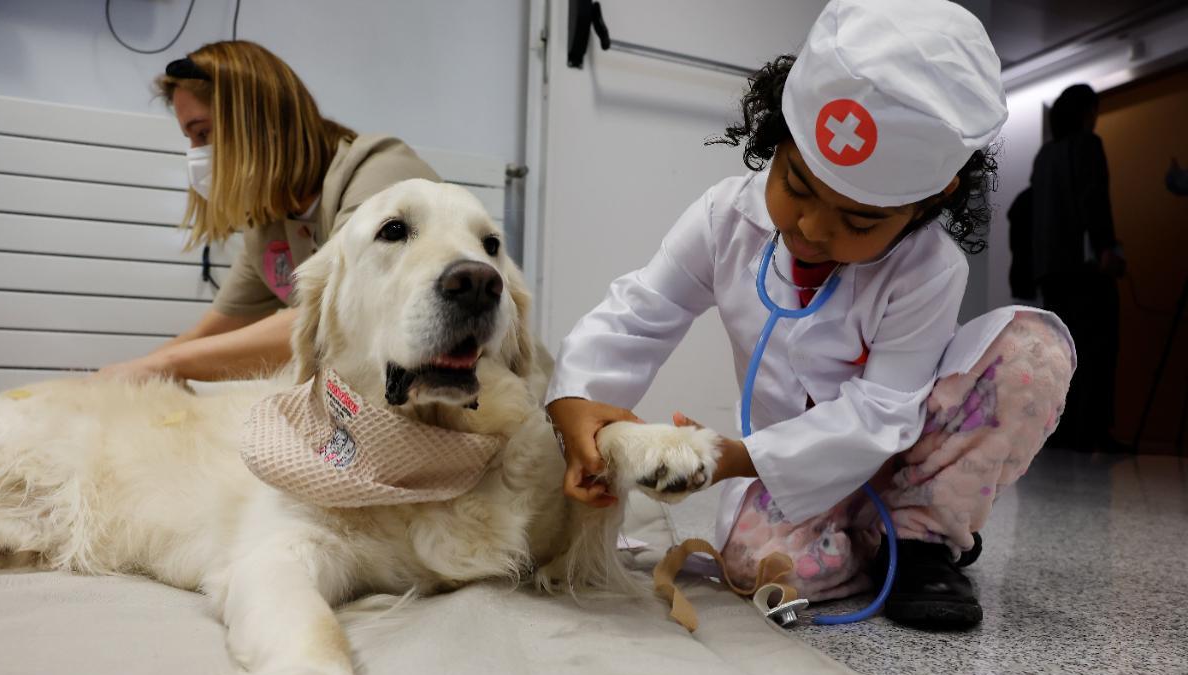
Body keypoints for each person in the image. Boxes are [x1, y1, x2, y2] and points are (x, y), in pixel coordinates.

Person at [546, 0, 1074, 629]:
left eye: (859, 221)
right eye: (796, 185)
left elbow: (882, 413)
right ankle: (864, 536)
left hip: (906, 449)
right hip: (790, 462)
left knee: (1034, 356)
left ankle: (921, 535)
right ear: (776, 136)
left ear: (933, 198)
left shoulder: (931, 268)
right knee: (752, 564)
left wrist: (728, 457)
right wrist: (576, 405)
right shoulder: (724, 219)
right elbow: (640, 311)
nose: (811, 229)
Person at [99, 40, 439, 382]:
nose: (195, 156)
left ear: (261, 121)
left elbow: (330, 316)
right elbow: (212, 332)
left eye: (203, 133)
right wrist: (126, 375)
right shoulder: (269, 226)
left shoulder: (381, 175)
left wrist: (165, 364)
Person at [1030, 84, 1125, 452]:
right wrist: (1106, 248)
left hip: (1051, 272)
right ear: (1086, 112)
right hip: (1084, 270)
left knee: (1061, 353)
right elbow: (1092, 199)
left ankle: (1060, 434)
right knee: (1096, 350)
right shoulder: (1087, 145)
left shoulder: (1044, 156)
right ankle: (1094, 432)